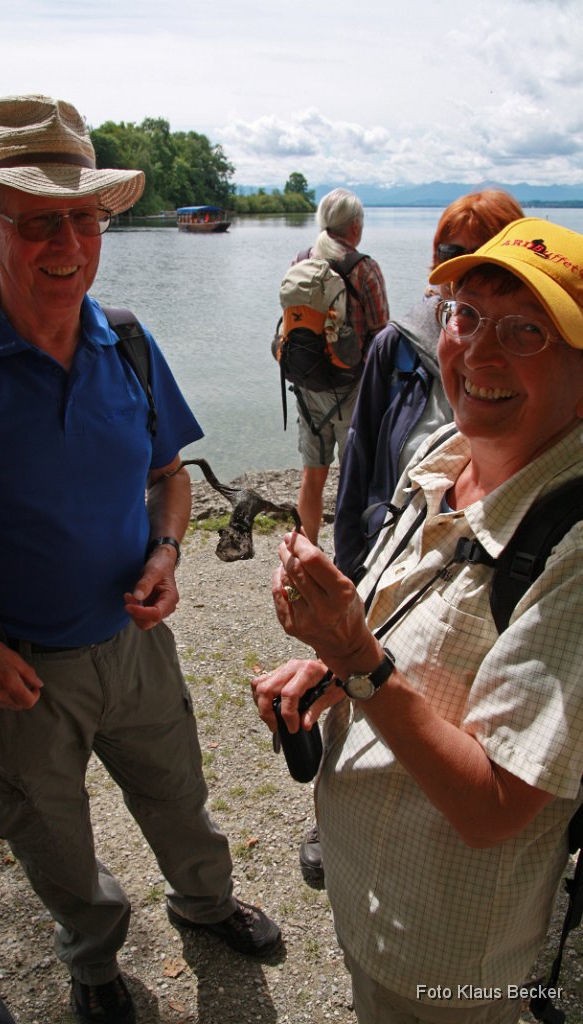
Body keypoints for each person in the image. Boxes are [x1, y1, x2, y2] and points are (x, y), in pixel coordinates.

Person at [0, 94, 280, 1024]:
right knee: (53, 840)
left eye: (83, 216)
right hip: (9, 667)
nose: (67, 242)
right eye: (38, 222)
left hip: (136, 647)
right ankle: (95, 956)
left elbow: (169, 478)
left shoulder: (132, 342)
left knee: (182, 800)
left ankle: (204, 902)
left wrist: (166, 552)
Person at [253, 217, 583, 1024]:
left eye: (527, 332)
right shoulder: (440, 463)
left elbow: (495, 807)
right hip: (375, 883)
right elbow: (410, 642)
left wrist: (355, 657)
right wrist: (332, 675)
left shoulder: (572, 548)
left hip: (447, 942)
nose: (478, 351)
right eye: (465, 314)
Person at [299, 189, 525, 886]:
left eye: (481, 256)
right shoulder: (397, 345)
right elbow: (362, 464)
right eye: (448, 257)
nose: (458, 272)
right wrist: (346, 583)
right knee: (356, 683)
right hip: (390, 557)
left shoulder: (515, 360)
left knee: (444, 707)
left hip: (478, 570)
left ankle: (438, 850)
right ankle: (335, 814)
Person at [290, 188, 390, 543]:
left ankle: (304, 556)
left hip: (308, 387)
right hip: (352, 391)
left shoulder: (300, 261)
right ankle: (351, 560)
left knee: (312, 477)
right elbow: (382, 339)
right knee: (353, 479)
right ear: (356, 227)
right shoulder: (364, 269)